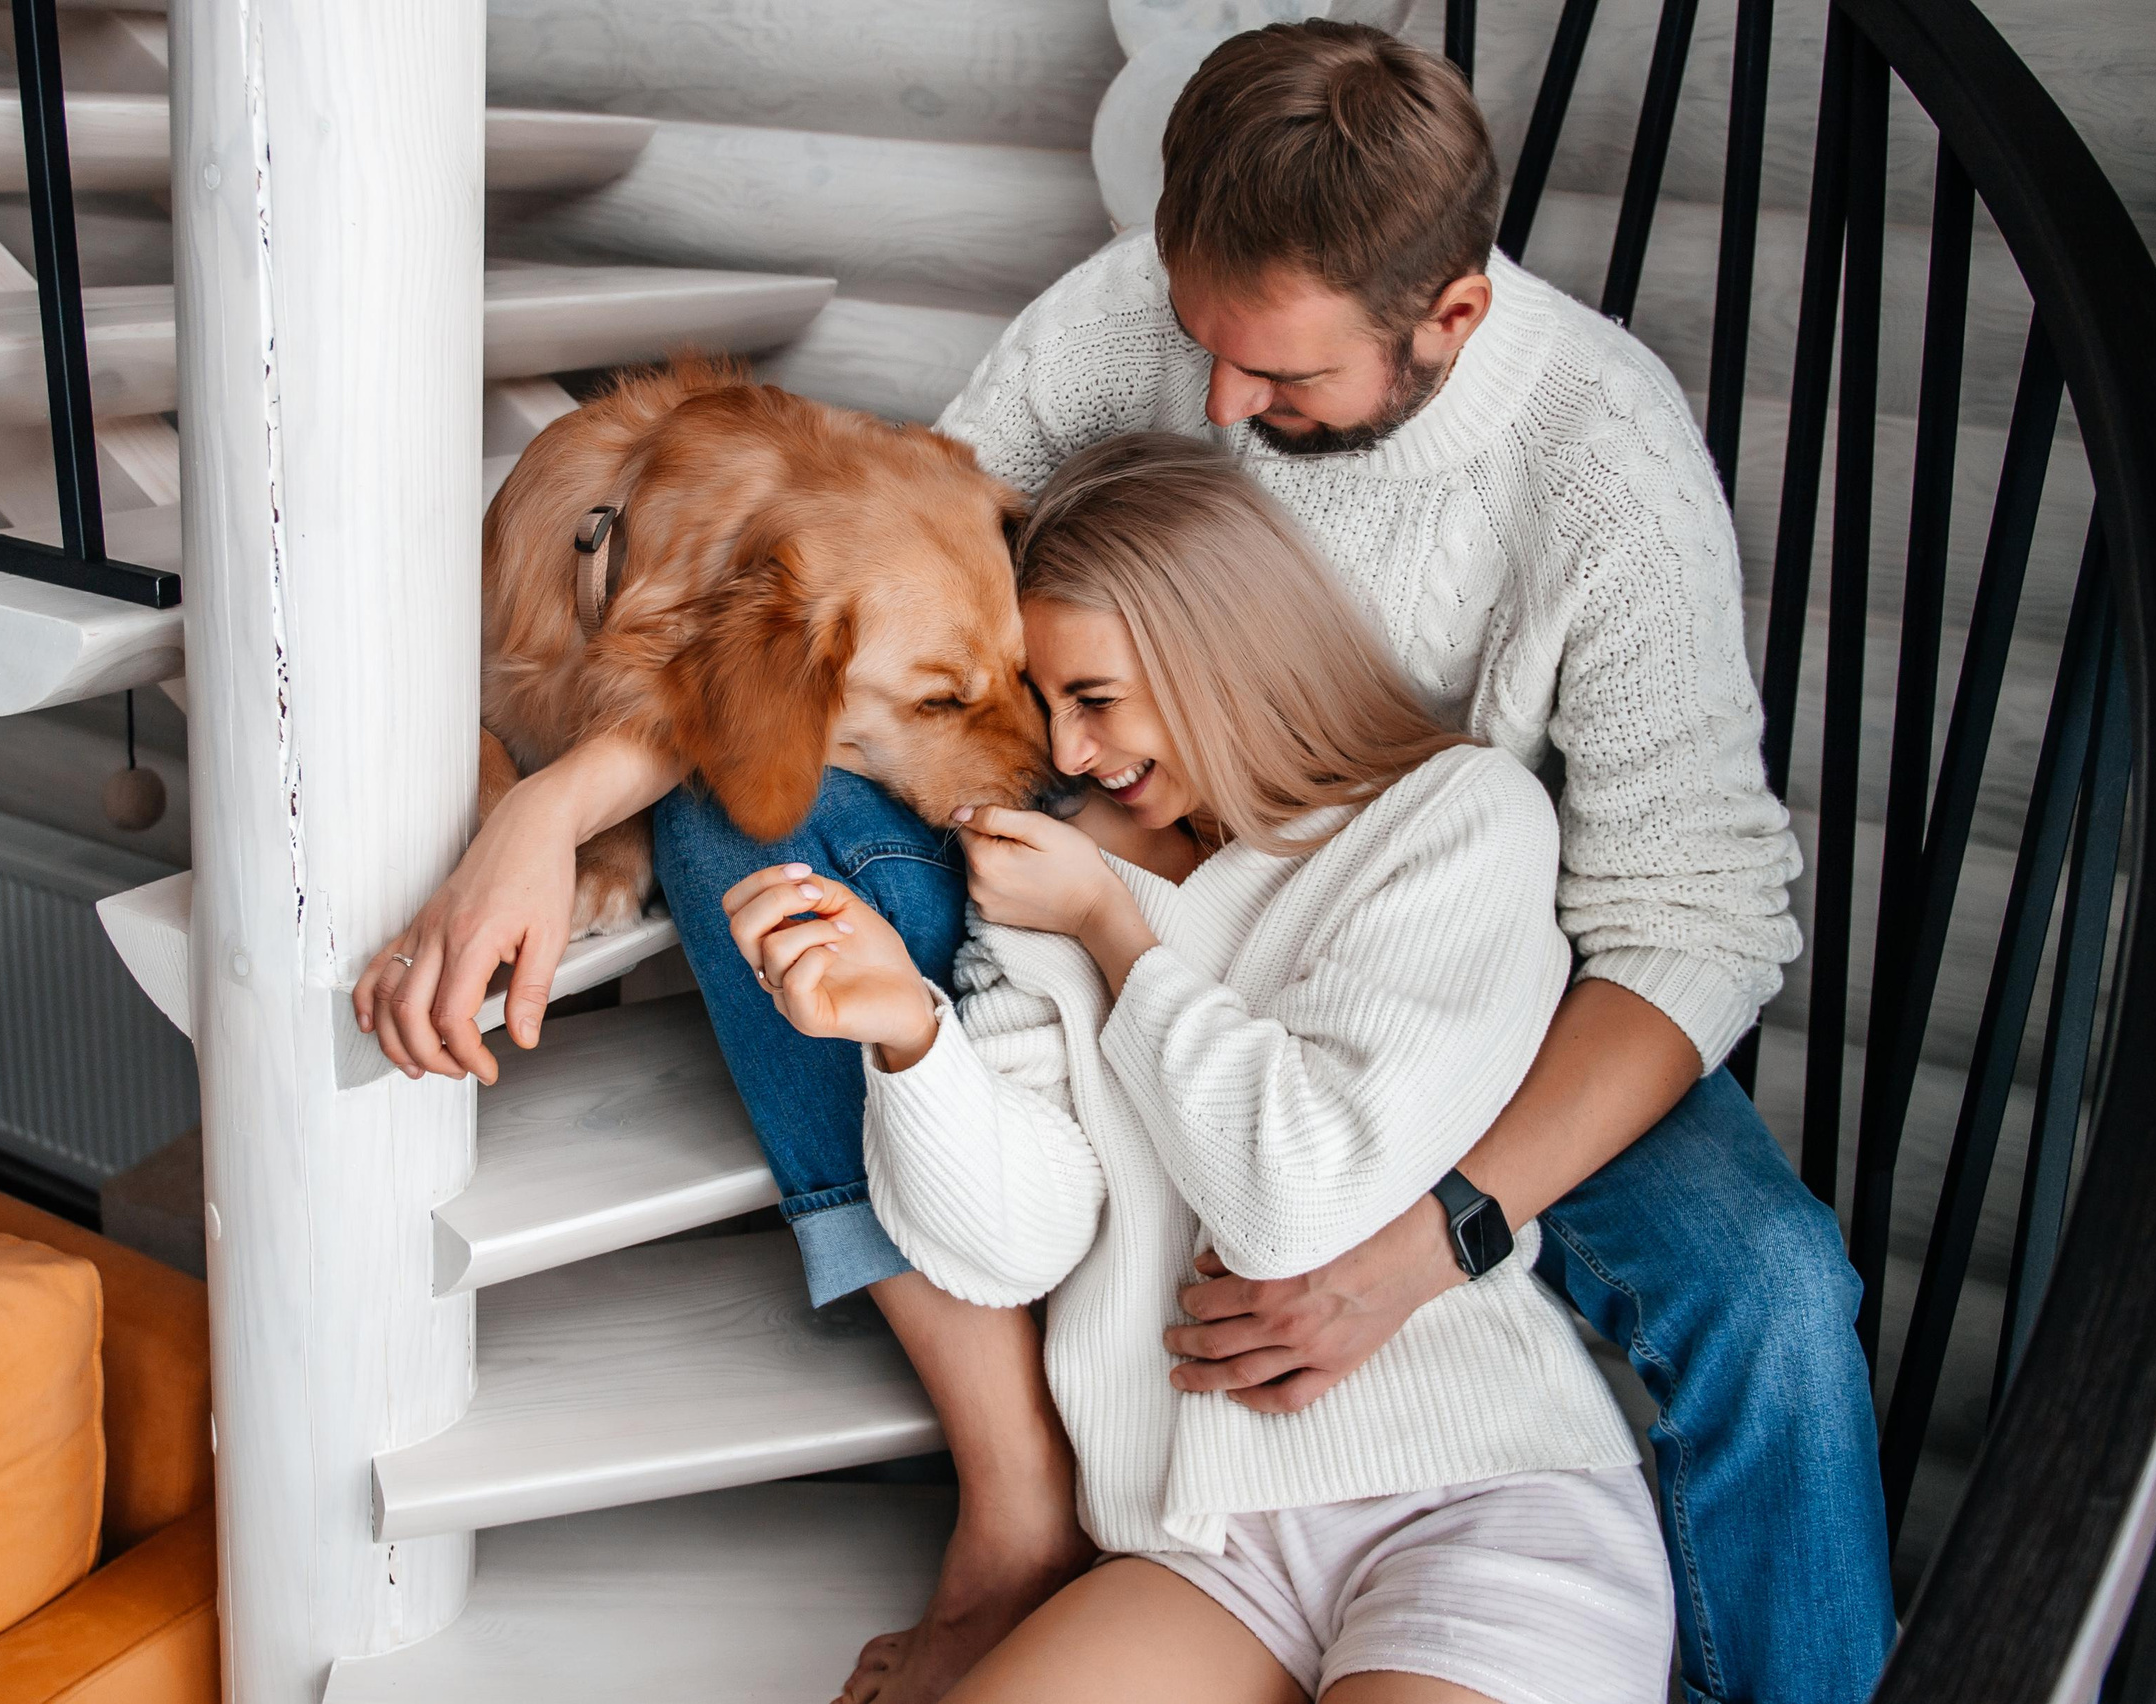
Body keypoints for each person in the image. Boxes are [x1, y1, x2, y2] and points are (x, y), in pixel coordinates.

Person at [355, 21, 1891, 1704]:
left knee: (1771, 1285)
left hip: (1439, 981)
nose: (1218, 406)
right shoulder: (1121, 325)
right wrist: (553, 804)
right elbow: (866, 599)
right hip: (1122, 891)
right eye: (1198, 340)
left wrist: (1432, 1234)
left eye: (1283, 383)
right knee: (754, 811)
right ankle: (1017, 1485)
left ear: (1450, 316)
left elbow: (1696, 910)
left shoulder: (1601, 463)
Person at [730, 432, 1675, 1704]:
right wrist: (910, 1038)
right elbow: (1017, 1246)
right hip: (1195, 1549)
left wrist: (1120, 935)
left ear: (1217, 652)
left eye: (1096, 699)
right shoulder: (1045, 886)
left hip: (1471, 1497)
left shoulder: (1453, 821)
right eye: (1042, 698)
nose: (1063, 756)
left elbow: (1298, 1193)